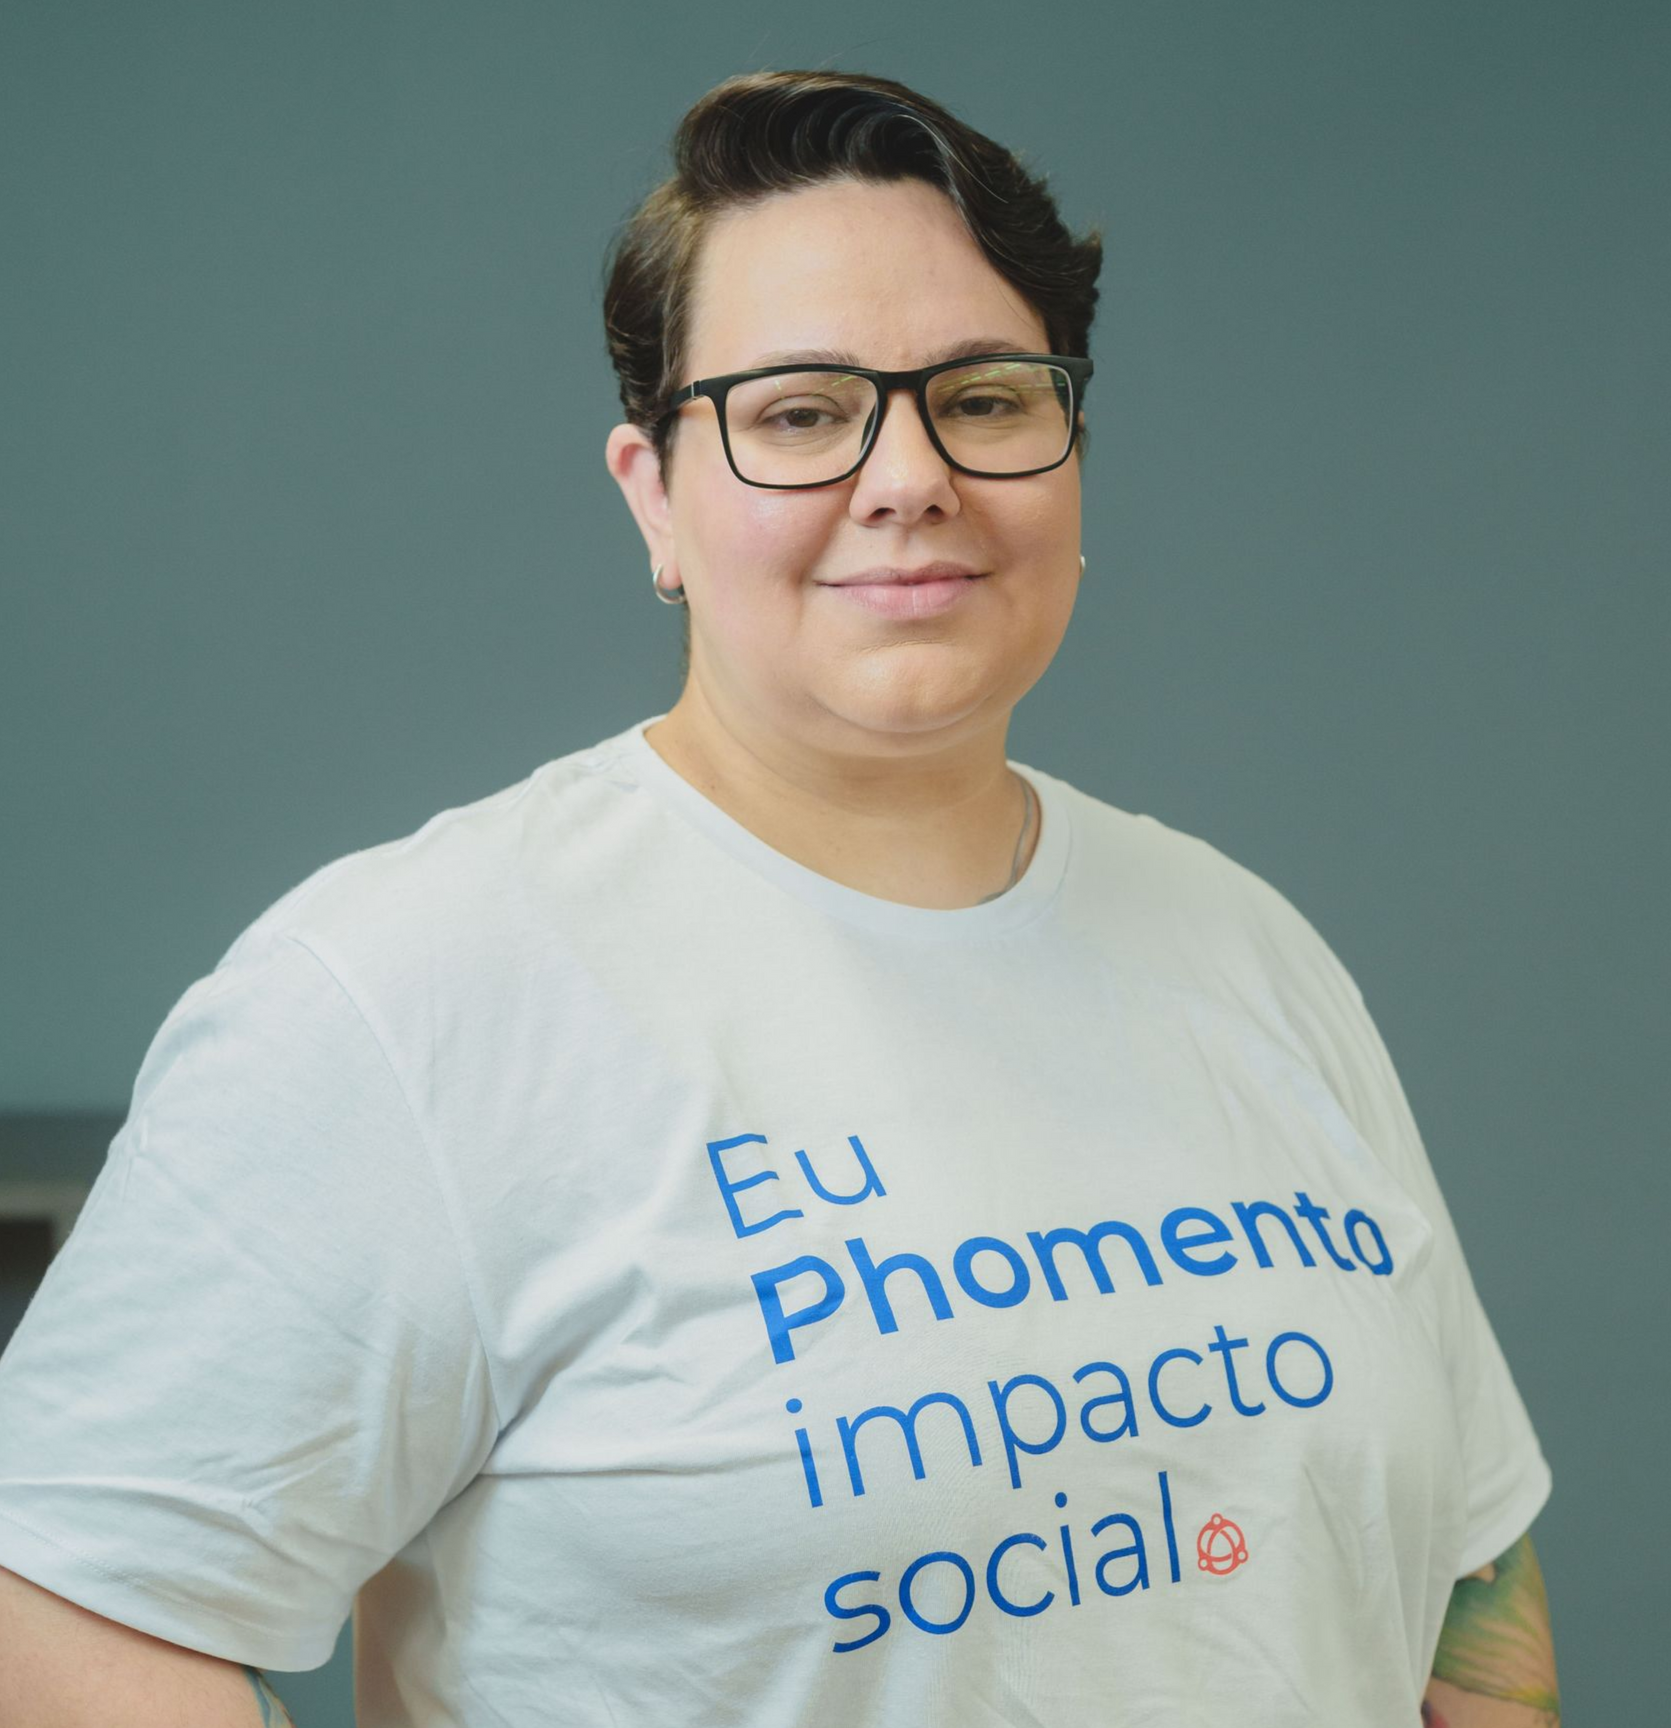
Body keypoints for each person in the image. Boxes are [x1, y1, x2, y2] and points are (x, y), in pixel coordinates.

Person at [0, 69, 1558, 1728]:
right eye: (801, 413)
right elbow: (65, 1611)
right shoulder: (406, 993)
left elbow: (1466, 1570)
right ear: (654, 496)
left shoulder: (1246, 947)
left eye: (986, 397)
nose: (909, 477)